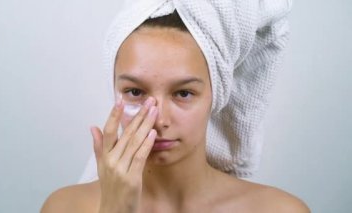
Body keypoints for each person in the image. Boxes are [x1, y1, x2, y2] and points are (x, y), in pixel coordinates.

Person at [41, 7, 310, 213]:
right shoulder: (65, 207)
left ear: (216, 96)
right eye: (135, 92)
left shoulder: (279, 210)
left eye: (183, 93)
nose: (158, 120)